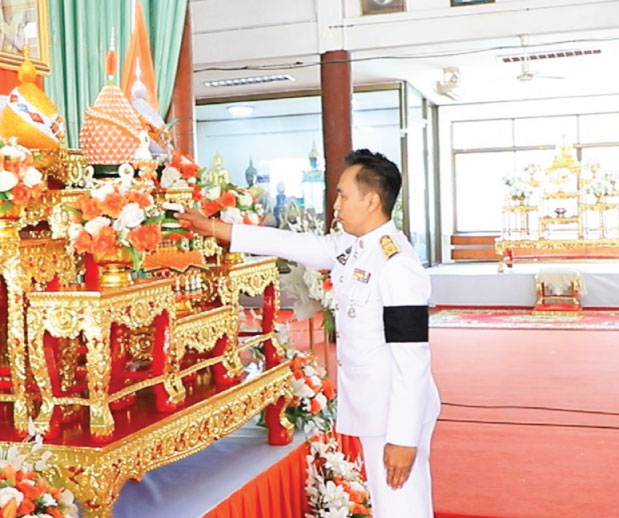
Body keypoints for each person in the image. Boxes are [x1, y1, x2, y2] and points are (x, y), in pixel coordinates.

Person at [178, 149, 440, 517]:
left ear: (371, 201)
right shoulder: (354, 246)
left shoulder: (396, 264)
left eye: (343, 195)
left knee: (402, 508)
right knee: (388, 507)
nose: (336, 204)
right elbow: (293, 244)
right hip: (377, 405)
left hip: (395, 411)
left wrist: (404, 437)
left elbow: (412, 359)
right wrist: (217, 230)